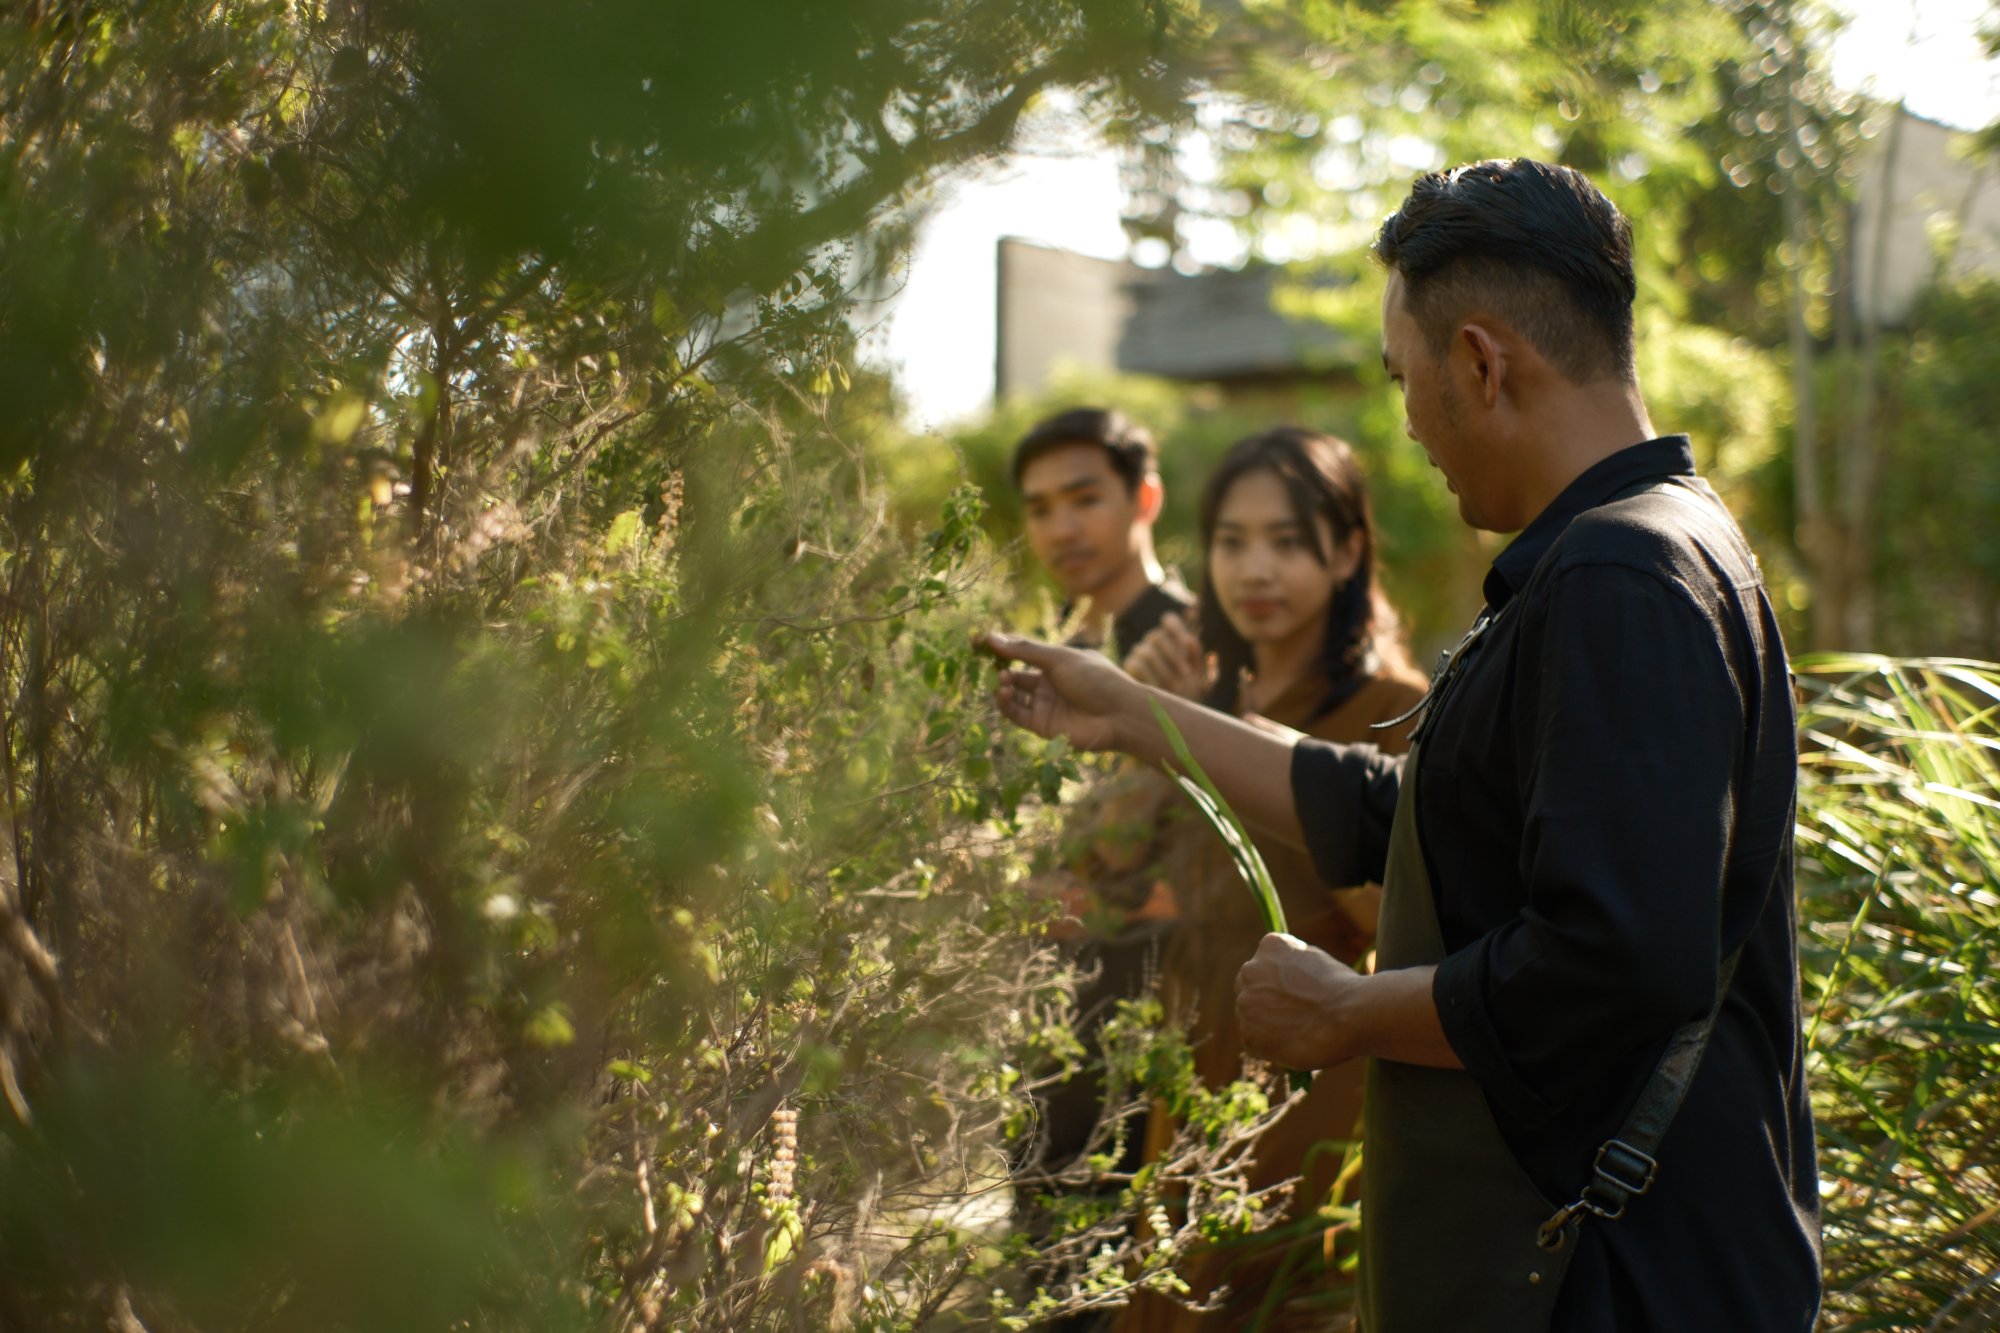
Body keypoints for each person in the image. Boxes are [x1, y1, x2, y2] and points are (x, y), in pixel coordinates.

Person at [984, 160, 1821, 1332]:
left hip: (1610, 1283)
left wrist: (1349, 1010)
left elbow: (1616, 961)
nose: (1410, 423)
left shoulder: (1617, 574)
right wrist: (1136, 714)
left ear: (1479, 362)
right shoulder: (1649, 544)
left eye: (1401, 379)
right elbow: (1409, 817)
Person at [1113, 427, 1426, 1333]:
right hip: (1188, 1083)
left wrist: (1256, 751)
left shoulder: (1395, 712)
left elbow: (1396, 914)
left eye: (1287, 541)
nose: (1256, 569)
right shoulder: (1200, 700)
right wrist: (1147, 723)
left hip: (1313, 1097)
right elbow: (1100, 876)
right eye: (1232, 541)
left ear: (1347, 552)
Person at [1007, 408, 1193, 1299]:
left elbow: (1212, 851)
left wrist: (1103, 894)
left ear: (1143, 497)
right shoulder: (1047, 656)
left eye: (1084, 498)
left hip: (1163, 1010)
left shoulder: (1199, 641)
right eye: (1041, 507)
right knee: (1042, 1264)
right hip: (1051, 1017)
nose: (1062, 527)